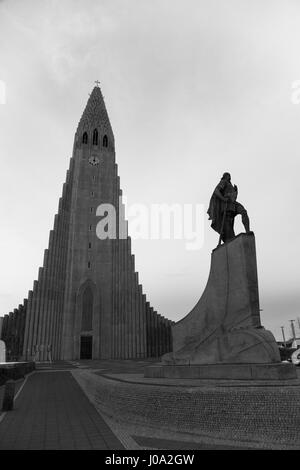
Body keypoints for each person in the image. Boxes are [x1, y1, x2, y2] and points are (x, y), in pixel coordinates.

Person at [207, 172, 250, 243]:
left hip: (233, 204)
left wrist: (236, 192)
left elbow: (233, 197)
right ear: (225, 176)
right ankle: (229, 240)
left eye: (229, 175)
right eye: (227, 175)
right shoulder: (223, 182)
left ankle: (247, 231)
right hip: (226, 205)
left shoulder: (230, 185)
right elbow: (216, 191)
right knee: (228, 227)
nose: (229, 177)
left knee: (243, 211)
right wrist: (223, 199)